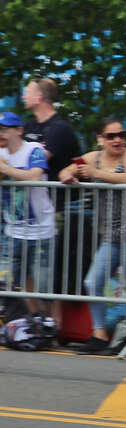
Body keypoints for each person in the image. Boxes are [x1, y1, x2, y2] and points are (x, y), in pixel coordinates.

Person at [59, 118, 126, 354]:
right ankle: (99, 335)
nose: (118, 139)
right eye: (111, 136)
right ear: (101, 140)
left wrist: (95, 172)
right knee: (93, 282)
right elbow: (66, 170)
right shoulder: (93, 157)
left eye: (121, 134)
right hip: (111, 233)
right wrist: (69, 175)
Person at [0, 112, 57, 320]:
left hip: (41, 232)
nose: (1, 134)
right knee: (5, 284)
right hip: (12, 232)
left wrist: (6, 169)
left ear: (19, 131)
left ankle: (46, 326)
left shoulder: (33, 150)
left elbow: (35, 175)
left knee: (43, 289)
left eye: (5, 129)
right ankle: (18, 325)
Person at [22, 77, 81, 183]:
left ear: (38, 97)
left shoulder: (60, 128)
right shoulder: (29, 125)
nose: (24, 96)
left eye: (27, 93)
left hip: (59, 198)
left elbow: (34, 162)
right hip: (39, 197)